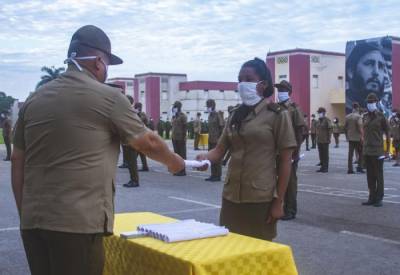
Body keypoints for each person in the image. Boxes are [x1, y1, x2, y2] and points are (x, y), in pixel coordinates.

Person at [11, 25, 184, 275]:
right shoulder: (108, 98)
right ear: (98, 62)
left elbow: (18, 160)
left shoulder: (35, 99)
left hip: (33, 224)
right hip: (76, 225)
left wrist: (25, 214)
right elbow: (149, 142)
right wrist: (174, 162)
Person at [196, 58, 296, 241]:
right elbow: (219, 151)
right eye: (240, 79)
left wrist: (279, 201)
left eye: (248, 78)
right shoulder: (235, 115)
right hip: (231, 197)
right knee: (230, 251)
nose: (242, 84)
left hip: (260, 199)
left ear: (262, 84)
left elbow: (285, 161)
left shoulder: (277, 115)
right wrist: (204, 158)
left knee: (258, 257)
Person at [275, 80, 306, 221]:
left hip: (290, 152)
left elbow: (301, 131)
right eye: (278, 89)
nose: (280, 92)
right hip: (276, 150)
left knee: (290, 181)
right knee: (278, 180)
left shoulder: (294, 109)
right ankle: (279, 207)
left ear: (289, 92)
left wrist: (296, 151)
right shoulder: (275, 108)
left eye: (282, 90)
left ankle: (290, 210)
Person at [361, 93, 390, 207]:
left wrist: (387, 150)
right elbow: (364, 132)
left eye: (372, 102)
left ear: (376, 103)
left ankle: (379, 198)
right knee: (370, 175)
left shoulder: (381, 116)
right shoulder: (365, 116)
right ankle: (371, 197)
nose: (370, 104)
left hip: (378, 150)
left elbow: (387, 132)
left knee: (378, 175)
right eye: (368, 102)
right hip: (367, 150)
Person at [346, 42, 387, 113]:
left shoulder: (384, 113)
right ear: (351, 71)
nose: (376, 72)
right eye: (369, 64)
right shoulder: (347, 111)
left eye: (380, 66)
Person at [205, 99, 225, 182]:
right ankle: (213, 175)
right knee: (211, 158)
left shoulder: (218, 115)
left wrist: (220, 140)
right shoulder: (210, 115)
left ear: (212, 106)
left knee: (217, 158)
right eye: (207, 106)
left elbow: (222, 127)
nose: (207, 107)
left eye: (208, 106)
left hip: (217, 140)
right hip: (210, 139)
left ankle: (218, 175)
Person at [123, 95, 140, 188]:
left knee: (132, 162)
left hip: (132, 140)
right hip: (127, 140)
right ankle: (133, 179)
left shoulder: (132, 112)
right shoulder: (128, 112)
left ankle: (134, 181)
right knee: (130, 162)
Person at [344, 102, 365, 174]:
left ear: (352, 108)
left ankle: (350, 169)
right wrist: (362, 136)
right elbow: (360, 127)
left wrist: (347, 136)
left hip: (350, 138)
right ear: (358, 108)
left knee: (350, 154)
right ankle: (360, 167)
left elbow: (345, 128)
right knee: (361, 153)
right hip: (358, 138)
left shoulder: (347, 116)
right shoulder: (358, 117)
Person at [171, 101, 187, 176]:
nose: (174, 108)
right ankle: (178, 170)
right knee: (176, 155)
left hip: (181, 138)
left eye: (175, 107)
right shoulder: (174, 116)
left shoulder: (183, 116)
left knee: (182, 155)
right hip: (174, 138)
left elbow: (185, 127)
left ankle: (183, 171)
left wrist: (184, 138)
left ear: (179, 107)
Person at [316, 107, 332, 173]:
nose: (319, 114)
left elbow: (330, 129)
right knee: (321, 154)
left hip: (325, 140)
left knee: (325, 155)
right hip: (319, 140)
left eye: (320, 112)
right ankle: (322, 167)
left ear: (323, 113)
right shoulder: (318, 120)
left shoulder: (327, 120)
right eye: (318, 112)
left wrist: (329, 138)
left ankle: (325, 168)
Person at [134, 102, 149, 172]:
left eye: (137, 107)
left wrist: (138, 114)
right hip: (136, 135)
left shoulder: (142, 115)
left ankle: (136, 166)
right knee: (140, 152)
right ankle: (145, 166)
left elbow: (144, 121)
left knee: (136, 152)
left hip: (142, 135)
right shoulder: (134, 114)